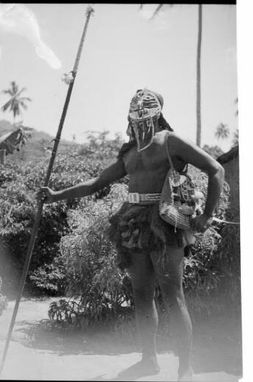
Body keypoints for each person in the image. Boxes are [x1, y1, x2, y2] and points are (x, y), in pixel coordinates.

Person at [38, 89, 225, 381]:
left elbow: (215, 170)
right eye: (134, 116)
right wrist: (55, 195)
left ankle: (185, 368)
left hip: (165, 222)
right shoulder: (129, 152)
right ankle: (149, 360)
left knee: (173, 296)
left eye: (144, 115)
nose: (138, 122)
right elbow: (96, 182)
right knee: (141, 295)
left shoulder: (170, 141)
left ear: (157, 114)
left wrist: (206, 215)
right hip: (133, 222)